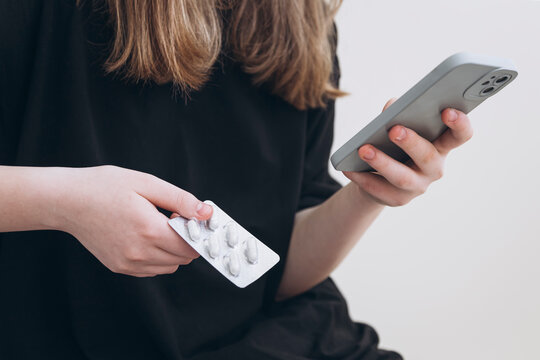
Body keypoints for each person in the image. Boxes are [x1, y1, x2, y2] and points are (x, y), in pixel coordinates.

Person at [0, 1, 473, 359]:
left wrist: (368, 194)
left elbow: (278, 274)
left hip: (278, 335)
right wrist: (60, 201)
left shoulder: (301, 21)